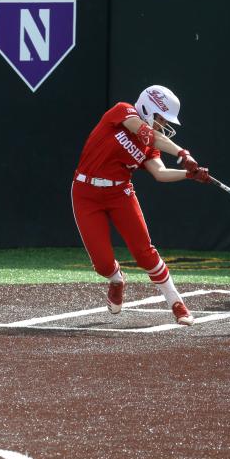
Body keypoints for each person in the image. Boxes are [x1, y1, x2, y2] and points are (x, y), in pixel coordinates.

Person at [72, 85, 211, 326]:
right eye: (160, 118)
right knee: (103, 264)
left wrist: (189, 175)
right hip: (86, 192)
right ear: (148, 107)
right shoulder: (122, 111)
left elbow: (160, 173)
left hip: (120, 193)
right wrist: (183, 153)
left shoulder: (150, 145)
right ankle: (116, 278)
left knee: (145, 252)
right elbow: (148, 133)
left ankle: (176, 303)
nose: (163, 124)